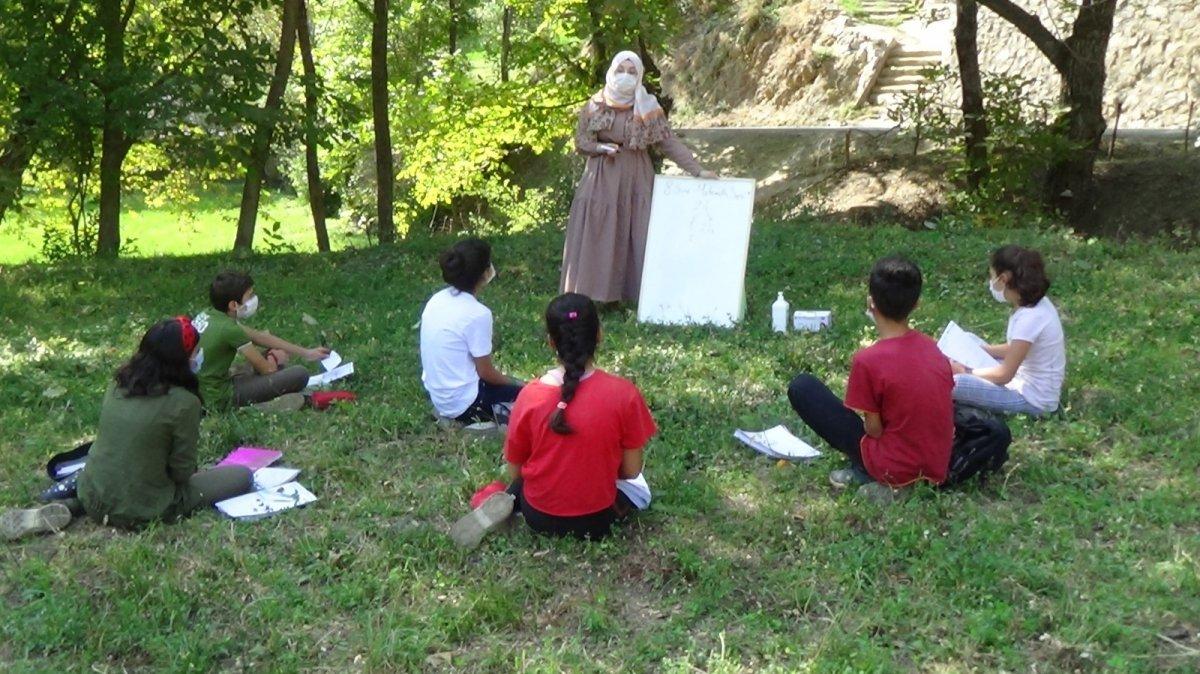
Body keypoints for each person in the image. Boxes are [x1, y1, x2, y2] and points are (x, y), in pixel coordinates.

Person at [2, 318, 254, 541]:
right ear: (182, 359)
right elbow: (181, 472)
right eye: (196, 351)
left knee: (119, 473)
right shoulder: (185, 403)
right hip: (145, 508)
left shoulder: (119, 385)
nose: (199, 356)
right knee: (241, 475)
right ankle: (114, 503)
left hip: (91, 490)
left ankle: (73, 505)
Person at [450, 293, 656, 547]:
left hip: (539, 516)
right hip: (597, 521)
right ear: (599, 335)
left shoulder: (530, 396)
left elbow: (515, 470)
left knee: (529, 478)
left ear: (550, 342)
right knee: (640, 490)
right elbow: (631, 471)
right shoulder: (624, 394)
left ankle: (508, 501)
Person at [787, 256, 954, 502]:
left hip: (894, 465)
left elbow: (873, 430)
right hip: (937, 463)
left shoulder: (868, 360)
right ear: (916, 304)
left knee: (803, 387)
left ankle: (876, 476)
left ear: (870, 302)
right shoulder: (933, 348)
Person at [561, 50, 719, 305]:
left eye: (632, 71)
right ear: (612, 71)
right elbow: (581, 142)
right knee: (600, 231)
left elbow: (668, 143)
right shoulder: (595, 104)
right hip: (601, 177)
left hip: (636, 177)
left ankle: (635, 296)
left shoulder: (648, 106)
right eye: (621, 70)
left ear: (640, 75)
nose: (626, 76)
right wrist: (601, 148)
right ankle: (592, 296)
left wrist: (697, 170)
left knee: (637, 231)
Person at [950, 245, 1066, 416]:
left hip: (1031, 399)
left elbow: (1004, 375)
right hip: (1019, 376)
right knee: (968, 339)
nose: (991, 282)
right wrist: (983, 350)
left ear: (1003, 279)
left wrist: (967, 372)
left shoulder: (1030, 318)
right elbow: (1016, 349)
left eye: (992, 276)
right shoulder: (1037, 305)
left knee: (953, 383)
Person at [420, 238, 523, 426]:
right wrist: (516, 383)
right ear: (484, 273)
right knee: (529, 396)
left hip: (438, 395)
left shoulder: (437, 299)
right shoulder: (478, 314)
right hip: (465, 403)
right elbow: (486, 372)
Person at [193, 271, 330, 412]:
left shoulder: (209, 314)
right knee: (300, 374)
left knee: (261, 359)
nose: (253, 299)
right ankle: (260, 405)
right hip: (219, 397)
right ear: (234, 305)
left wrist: (306, 353)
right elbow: (268, 370)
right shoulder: (230, 330)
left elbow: (259, 337)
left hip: (200, 389)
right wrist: (274, 358)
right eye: (249, 296)